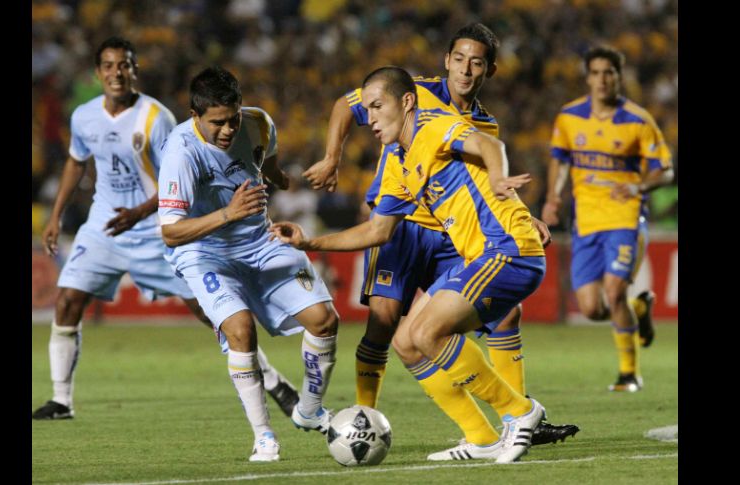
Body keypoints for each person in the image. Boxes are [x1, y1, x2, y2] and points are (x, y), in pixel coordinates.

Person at [303, 22, 577, 445]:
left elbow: (487, 174)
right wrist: (332, 158)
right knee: (385, 323)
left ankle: (516, 419)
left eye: (477, 63)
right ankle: (365, 419)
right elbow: (345, 105)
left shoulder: (485, 124)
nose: (466, 70)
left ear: (490, 71)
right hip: (403, 225)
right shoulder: (410, 92)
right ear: (447, 61)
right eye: (460, 59)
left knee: (501, 314)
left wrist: (522, 213)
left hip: (453, 232)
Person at [32, 37, 299, 421]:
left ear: (135, 70)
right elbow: (77, 162)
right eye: (108, 66)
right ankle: (61, 400)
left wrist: (139, 212)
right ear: (98, 73)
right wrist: (57, 215)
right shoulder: (83, 117)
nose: (116, 73)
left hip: (156, 230)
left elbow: (177, 183)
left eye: (124, 65)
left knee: (212, 314)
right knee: (68, 300)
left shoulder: (157, 119)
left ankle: (272, 380)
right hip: (104, 225)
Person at [157, 66, 340, 462]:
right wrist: (229, 213)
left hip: (260, 241)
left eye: (232, 119)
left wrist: (288, 180)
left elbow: (266, 167)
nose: (227, 130)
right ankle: (264, 437)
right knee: (240, 330)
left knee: (325, 320)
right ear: (195, 115)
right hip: (205, 252)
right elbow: (170, 233)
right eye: (217, 123)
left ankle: (308, 412)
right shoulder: (180, 152)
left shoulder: (258, 123)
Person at [540, 46, 673, 392]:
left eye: (609, 72)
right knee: (592, 308)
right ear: (587, 78)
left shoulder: (638, 120)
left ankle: (629, 373)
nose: (602, 79)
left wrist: (638, 186)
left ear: (618, 77)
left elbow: (666, 171)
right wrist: (553, 197)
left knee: (613, 292)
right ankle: (637, 309)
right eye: (596, 72)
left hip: (625, 219)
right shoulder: (569, 117)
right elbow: (560, 159)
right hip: (585, 221)